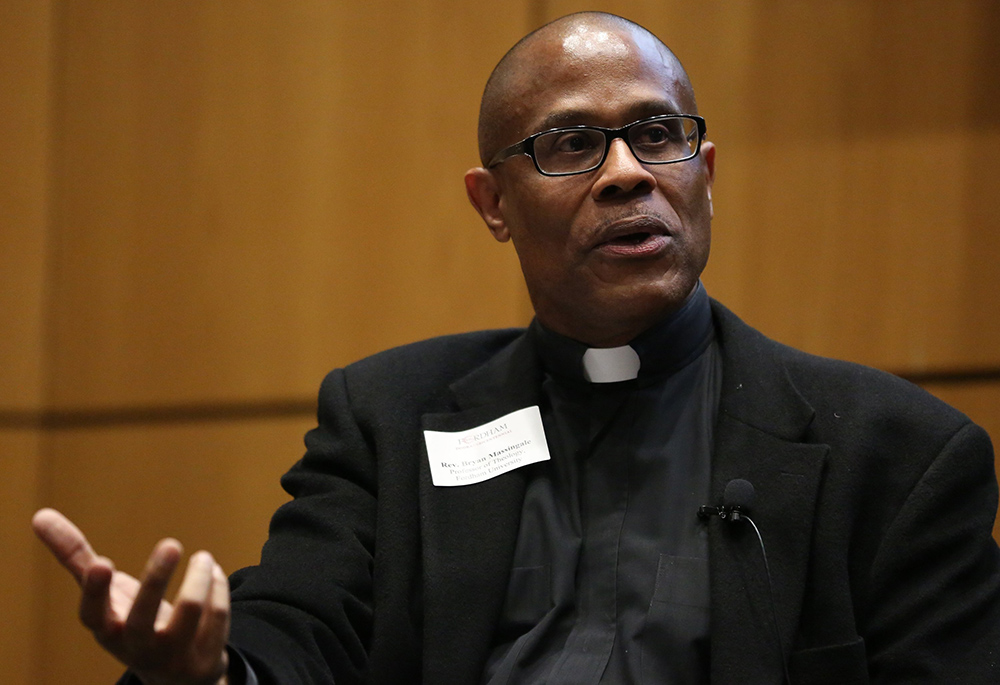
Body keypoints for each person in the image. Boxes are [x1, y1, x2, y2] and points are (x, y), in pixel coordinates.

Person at [33, 11, 1000, 685]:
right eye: (570, 145)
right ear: (492, 204)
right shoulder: (390, 421)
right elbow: (299, 631)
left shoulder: (898, 455)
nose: (627, 174)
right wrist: (206, 670)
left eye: (656, 135)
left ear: (705, 175)